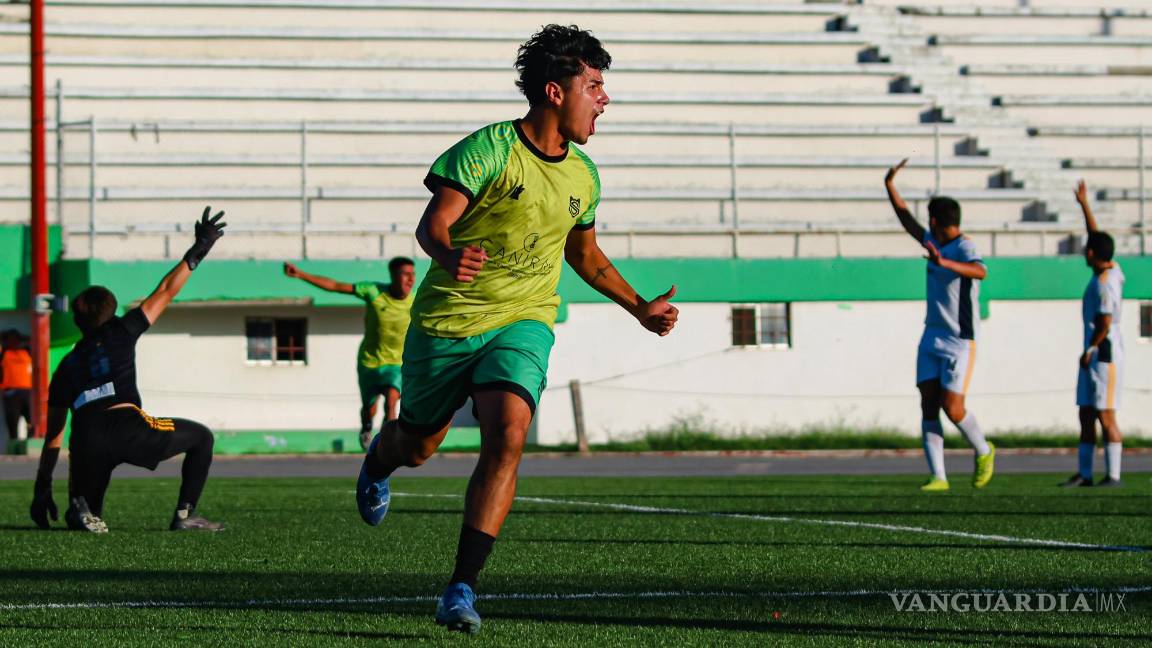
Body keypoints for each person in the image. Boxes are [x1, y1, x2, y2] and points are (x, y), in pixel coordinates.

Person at [354, 25, 678, 634]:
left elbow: (584, 256)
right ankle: (379, 460)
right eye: (595, 85)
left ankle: (460, 588)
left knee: (508, 432)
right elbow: (433, 225)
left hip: (524, 321)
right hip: (448, 322)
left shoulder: (584, 175)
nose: (604, 99)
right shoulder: (487, 150)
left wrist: (638, 307)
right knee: (419, 446)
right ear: (556, 92)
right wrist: (449, 255)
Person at [30, 208, 228, 533]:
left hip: (86, 437)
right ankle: (184, 516)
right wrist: (200, 248)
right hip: (128, 426)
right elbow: (166, 290)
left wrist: (42, 489)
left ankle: (81, 508)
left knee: (89, 511)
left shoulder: (66, 365)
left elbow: (53, 436)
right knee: (202, 438)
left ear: (78, 322)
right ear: (111, 312)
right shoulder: (121, 330)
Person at [885, 159, 995, 492]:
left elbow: (981, 271)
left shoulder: (964, 246)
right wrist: (890, 185)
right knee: (928, 402)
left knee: (953, 407)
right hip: (931, 334)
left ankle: (984, 450)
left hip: (959, 339)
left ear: (936, 219)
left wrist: (944, 263)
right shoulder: (934, 240)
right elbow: (907, 221)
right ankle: (939, 476)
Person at [283, 258, 416, 450]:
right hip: (369, 362)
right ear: (393, 276)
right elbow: (335, 286)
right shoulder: (373, 291)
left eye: (413, 274)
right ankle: (366, 426)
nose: (410, 279)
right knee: (370, 408)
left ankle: (388, 443)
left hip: (395, 363)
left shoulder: (416, 301)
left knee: (392, 399)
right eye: (405, 274)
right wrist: (302, 275)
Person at [1063, 181, 1125, 488]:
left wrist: (1090, 349)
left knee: (1106, 415)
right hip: (1093, 352)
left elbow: (1105, 322)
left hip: (1103, 353)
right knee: (1087, 413)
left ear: (1091, 254)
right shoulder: (1110, 268)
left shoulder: (1104, 284)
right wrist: (1084, 205)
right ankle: (1085, 474)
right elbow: (1097, 238)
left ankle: (1113, 475)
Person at [0, 329, 34, 452]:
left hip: (27, 392)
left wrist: (23, 339)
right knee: (12, 422)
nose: (13, 342)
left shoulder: (26, 351)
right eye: (10, 339)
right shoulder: (4, 353)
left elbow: (34, 342)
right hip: (11, 392)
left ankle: (28, 444)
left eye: (15, 339)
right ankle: (14, 448)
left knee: (32, 421)